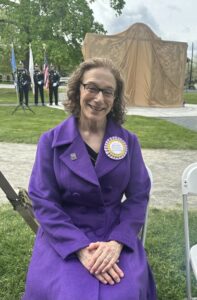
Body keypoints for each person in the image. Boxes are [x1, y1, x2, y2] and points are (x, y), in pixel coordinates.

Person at [23, 57, 157, 300]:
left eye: (108, 91)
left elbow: (138, 197)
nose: (99, 98)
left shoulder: (129, 142)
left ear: (115, 99)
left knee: (124, 294)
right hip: (63, 237)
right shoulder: (50, 142)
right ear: (78, 89)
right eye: (92, 88)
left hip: (114, 234)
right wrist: (80, 249)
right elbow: (43, 200)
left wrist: (117, 243)